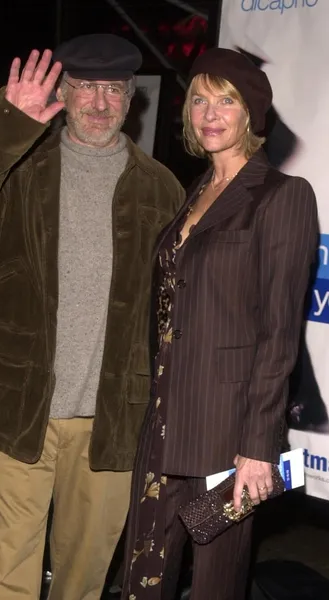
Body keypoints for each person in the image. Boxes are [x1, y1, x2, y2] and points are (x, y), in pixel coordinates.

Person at [0, 34, 185, 600]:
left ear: (131, 100)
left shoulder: (161, 189)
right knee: (0, 572)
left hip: (113, 418)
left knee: (85, 577)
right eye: (83, 87)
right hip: (18, 404)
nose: (99, 102)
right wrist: (5, 123)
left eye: (112, 90)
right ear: (62, 94)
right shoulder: (21, 168)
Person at [122, 48, 318, 600]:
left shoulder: (282, 196)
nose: (209, 112)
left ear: (250, 112)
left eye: (225, 100)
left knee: (215, 584)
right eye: (200, 99)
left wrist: (258, 444)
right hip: (164, 424)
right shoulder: (195, 194)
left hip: (227, 435)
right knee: (144, 576)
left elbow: (279, 331)